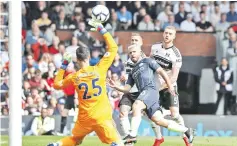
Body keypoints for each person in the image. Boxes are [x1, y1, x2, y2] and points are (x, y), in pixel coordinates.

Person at [47, 19, 124, 146]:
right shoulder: (100, 68)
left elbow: (56, 84)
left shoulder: (74, 76)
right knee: (118, 142)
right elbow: (114, 47)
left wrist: (64, 65)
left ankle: (58, 145)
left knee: (75, 139)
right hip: (102, 116)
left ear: (77, 60)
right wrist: (102, 29)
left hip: (84, 118)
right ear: (88, 57)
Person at [108, 44, 194, 145]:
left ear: (140, 52)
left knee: (136, 105)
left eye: (134, 52)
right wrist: (116, 86)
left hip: (151, 90)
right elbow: (127, 88)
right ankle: (186, 130)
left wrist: (170, 85)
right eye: (130, 53)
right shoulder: (132, 72)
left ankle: (132, 135)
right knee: (159, 121)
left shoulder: (147, 61)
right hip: (146, 94)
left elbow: (161, 72)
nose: (132, 54)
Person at [119, 33, 169, 146]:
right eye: (132, 40)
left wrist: (162, 86)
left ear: (141, 43)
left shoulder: (146, 59)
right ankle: (129, 140)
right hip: (131, 90)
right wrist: (124, 77)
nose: (133, 42)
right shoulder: (129, 58)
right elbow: (128, 76)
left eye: (136, 40)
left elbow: (154, 73)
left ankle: (159, 137)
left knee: (152, 117)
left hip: (144, 90)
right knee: (123, 111)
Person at [150, 26, 191, 146]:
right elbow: (150, 62)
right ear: (163, 34)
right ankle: (159, 138)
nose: (167, 35)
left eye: (170, 34)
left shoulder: (176, 54)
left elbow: (174, 77)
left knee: (175, 114)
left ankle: (186, 137)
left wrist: (162, 86)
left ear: (174, 37)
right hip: (155, 85)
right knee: (151, 113)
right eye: (166, 33)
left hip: (169, 86)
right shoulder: (155, 47)